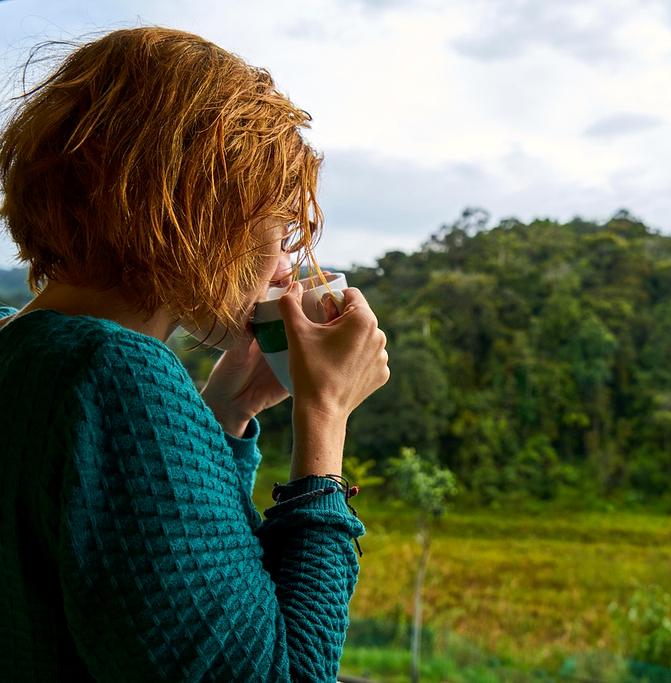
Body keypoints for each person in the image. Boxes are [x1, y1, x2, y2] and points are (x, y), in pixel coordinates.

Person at [0, 26, 390, 682]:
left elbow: (150, 581)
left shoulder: (23, 347)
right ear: (207, 210)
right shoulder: (115, 375)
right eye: (280, 226)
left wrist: (226, 410)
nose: (287, 264)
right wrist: (324, 422)